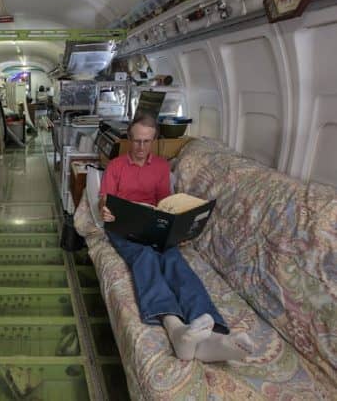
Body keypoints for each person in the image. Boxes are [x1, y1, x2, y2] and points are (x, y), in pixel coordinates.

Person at [99, 112, 254, 361]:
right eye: (137, 141)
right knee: (145, 256)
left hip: (153, 225)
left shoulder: (161, 167)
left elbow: (166, 204)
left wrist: (177, 227)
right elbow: (105, 200)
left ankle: (214, 336)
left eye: (147, 141)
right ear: (129, 138)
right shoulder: (116, 166)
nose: (141, 147)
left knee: (174, 260)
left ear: (154, 140)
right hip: (123, 227)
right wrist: (105, 210)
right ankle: (175, 328)